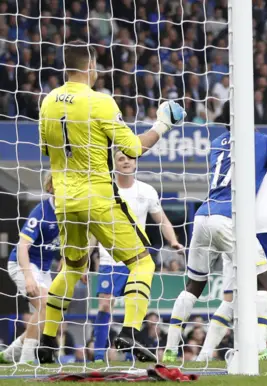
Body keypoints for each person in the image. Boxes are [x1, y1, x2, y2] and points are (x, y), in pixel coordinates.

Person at [37, 40, 186, 363]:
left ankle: (47, 342)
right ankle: (131, 333)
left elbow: (50, 156)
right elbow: (132, 148)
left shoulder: (47, 102)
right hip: (98, 199)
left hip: (64, 201)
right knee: (143, 262)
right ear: (90, 67)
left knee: (73, 267)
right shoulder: (99, 102)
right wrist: (162, 124)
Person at [163, 101, 267, 361]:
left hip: (202, 215)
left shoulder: (217, 143)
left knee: (194, 285)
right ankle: (259, 348)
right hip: (231, 220)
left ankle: (170, 349)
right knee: (265, 283)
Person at [92, 150, 184, 363]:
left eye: (129, 159)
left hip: (136, 259)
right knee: (106, 305)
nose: (125, 162)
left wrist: (173, 241)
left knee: (135, 305)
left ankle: (131, 347)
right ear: (114, 164)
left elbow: (162, 220)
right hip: (109, 259)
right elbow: (92, 228)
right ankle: (98, 355)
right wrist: (85, 257)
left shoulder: (147, 191)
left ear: (135, 163)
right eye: (120, 159)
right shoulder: (104, 191)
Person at [0, 174, 59, 364]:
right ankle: (26, 360)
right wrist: (28, 278)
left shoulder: (72, 213)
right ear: (50, 187)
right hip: (21, 263)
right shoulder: (40, 213)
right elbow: (22, 247)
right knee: (44, 304)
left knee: (47, 313)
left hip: (44, 268)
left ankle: (9, 354)